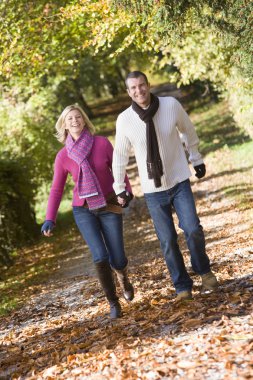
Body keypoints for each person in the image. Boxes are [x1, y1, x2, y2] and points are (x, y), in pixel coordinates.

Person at [112, 71, 218, 301]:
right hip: (153, 190)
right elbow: (119, 155)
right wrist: (119, 186)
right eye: (133, 88)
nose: (138, 90)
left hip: (179, 180)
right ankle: (182, 287)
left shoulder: (170, 105)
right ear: (128, 92)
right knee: (168, 240)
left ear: (148, 85)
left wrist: (196, 158)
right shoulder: (125, 120)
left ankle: (205, 273)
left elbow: (188, 130)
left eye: (142, 85)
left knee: (192, 229)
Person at [41, 104, 134, 319]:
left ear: (84, 120)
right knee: (100, 256)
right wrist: (49, 218)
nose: (74, 121)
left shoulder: (101, 143)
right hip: (83, 210)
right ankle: (113, 302)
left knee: (118, 258)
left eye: (78, 117)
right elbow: (56, 189)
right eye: (70, 119)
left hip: (109, 205)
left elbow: (118, 170)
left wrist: (126, 192)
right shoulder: (63, 156)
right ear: (64, 125)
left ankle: (123, 277)